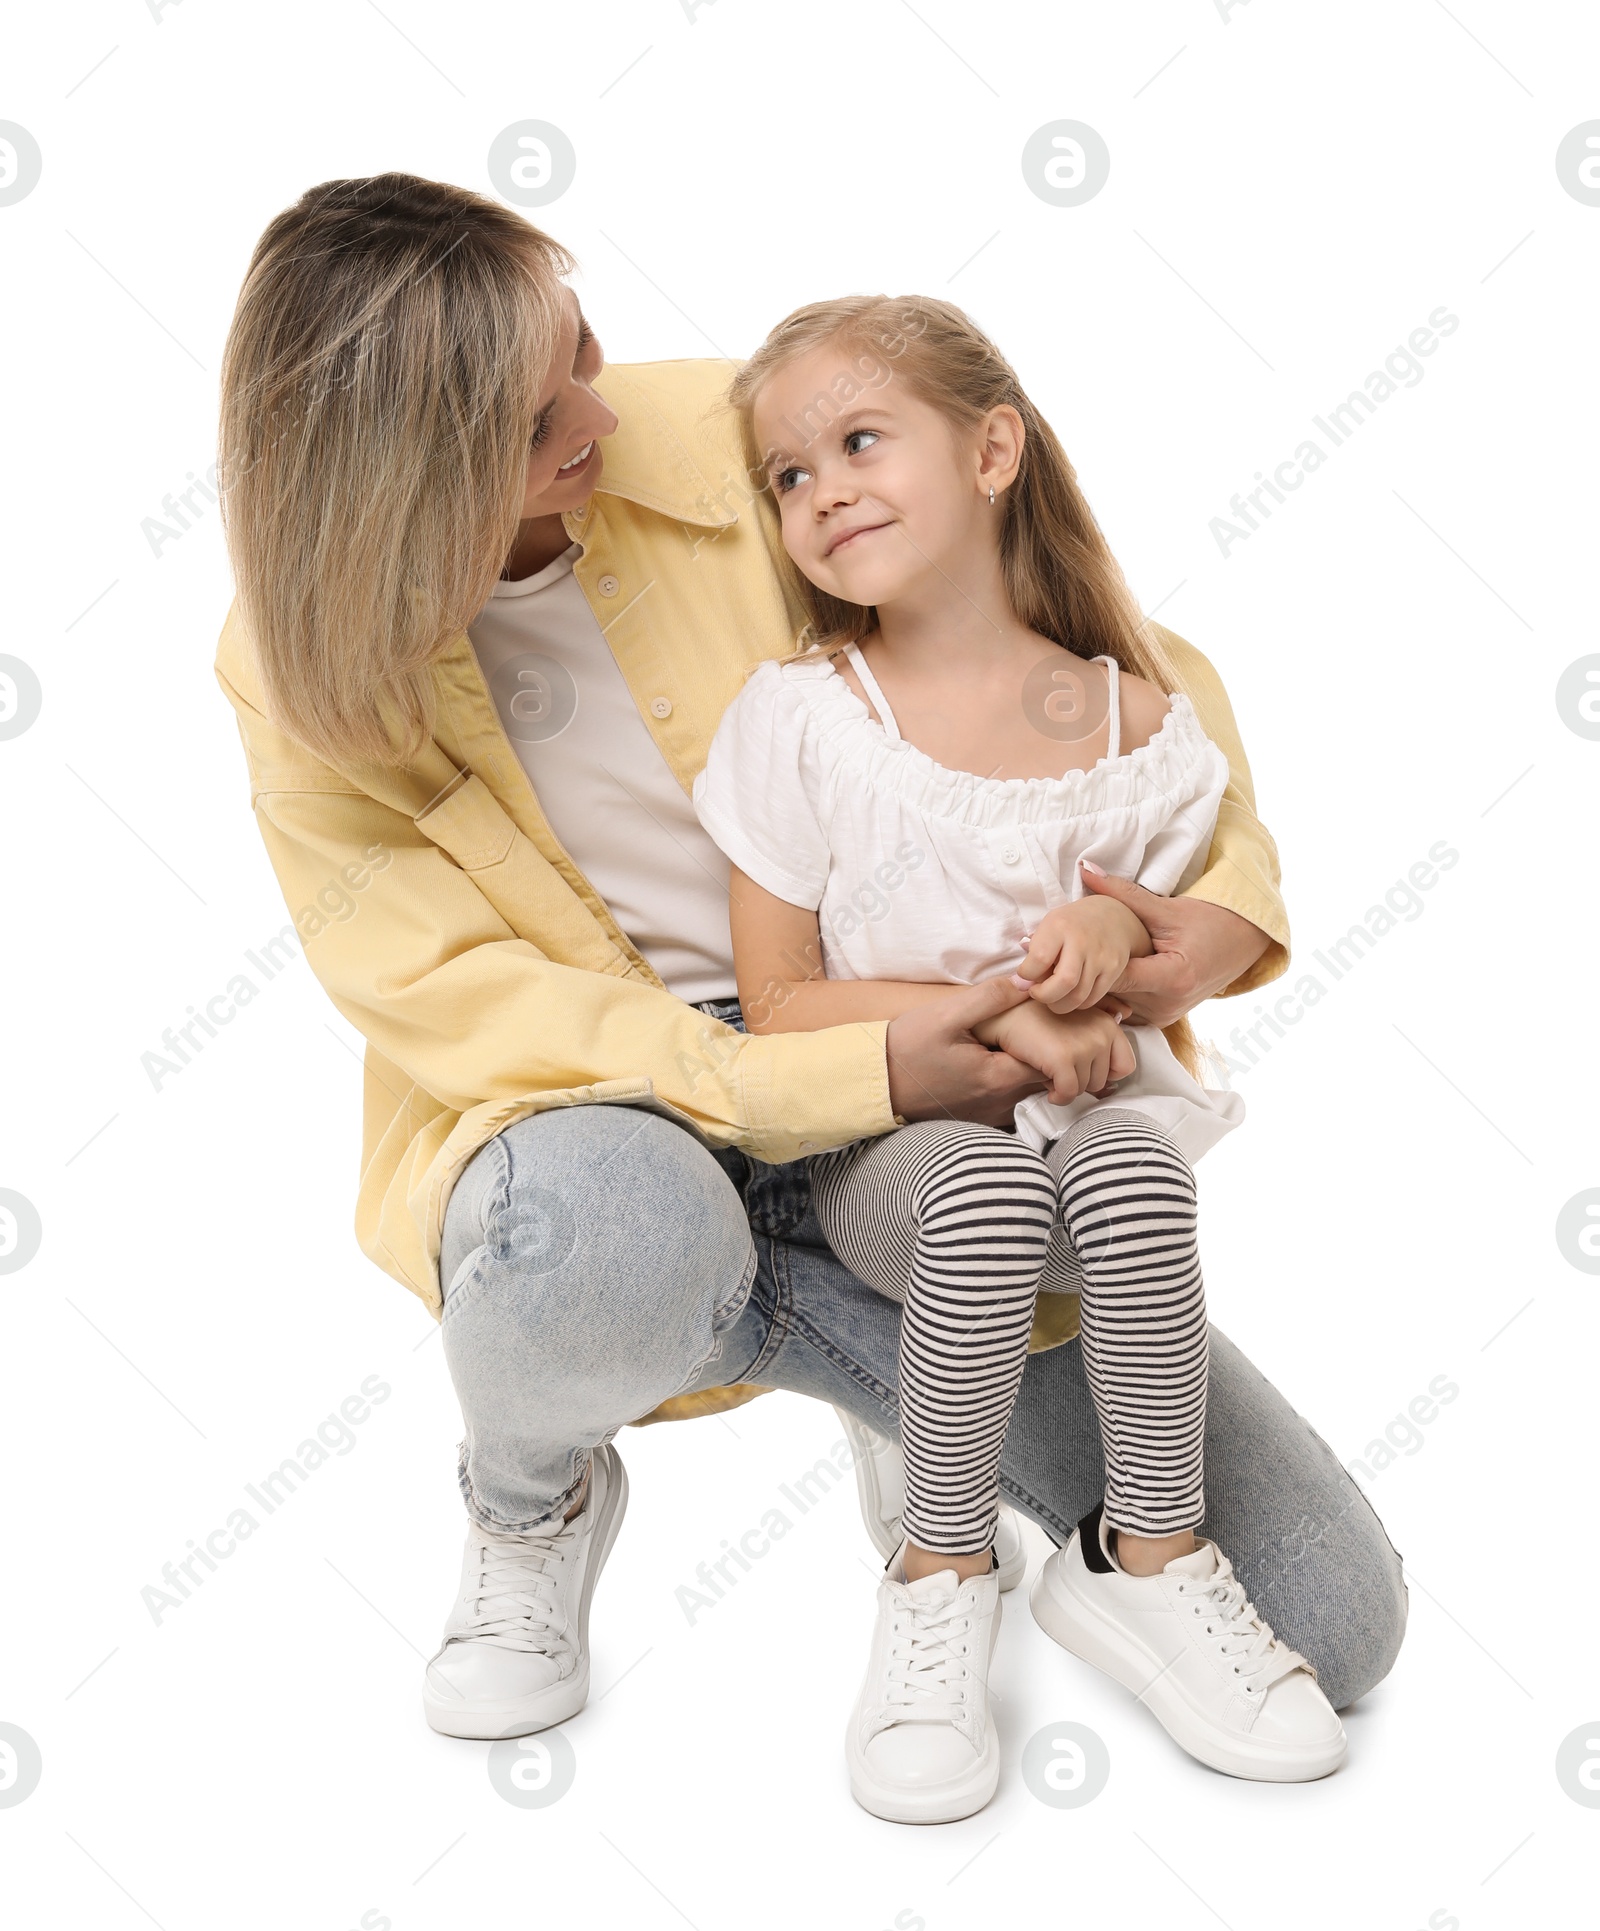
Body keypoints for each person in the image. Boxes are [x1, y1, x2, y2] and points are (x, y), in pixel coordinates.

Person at [212, 173, 1404, 1799]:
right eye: (529, 411)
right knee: (606, 1244)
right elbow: (459, 999)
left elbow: (1106, 672)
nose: (595, 414)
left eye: (579, 344)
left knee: (1331, 1623)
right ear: (409, 478)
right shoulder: (304, 666)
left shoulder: (749, 434)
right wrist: (842, 1074)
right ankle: (536, 1495)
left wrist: (1204, 923)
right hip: (609, 1107)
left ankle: (950, 1387)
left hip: (908, 1067)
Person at [693, 295, 1345, 1821]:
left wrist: (1119, 948)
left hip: (1090, 1126)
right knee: (984, 1192)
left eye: (861, 442)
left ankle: (1147, 1554)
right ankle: (940, 1567)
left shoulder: (1130, 719)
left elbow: (1173, 930)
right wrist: (1002, 1016)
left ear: (994, 450)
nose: (824, 489)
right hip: (895, 1143)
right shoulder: (802, 721)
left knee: (1134, 1166)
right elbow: (777, 1003)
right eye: (788, 474)